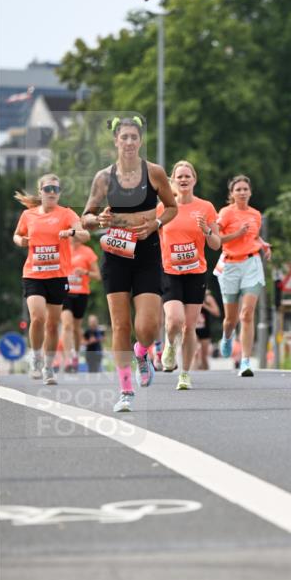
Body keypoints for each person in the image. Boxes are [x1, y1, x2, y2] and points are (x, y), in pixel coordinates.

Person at [80, 115, 177, 413]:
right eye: (125, 137)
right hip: (116, 256)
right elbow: (86, 217)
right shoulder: (104, 178)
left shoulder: (155, 173)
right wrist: (99, 220)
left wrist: (156, 223)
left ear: (141, 141)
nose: (130, 142)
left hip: (147, 253)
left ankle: (142, 351)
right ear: (116, 141)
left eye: (135, 137)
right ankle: (125, 391)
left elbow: (172, 207)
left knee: (147, 326)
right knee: (120, 325)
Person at [13, 174, 89, 385]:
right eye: (48, 189)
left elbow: (85, 235)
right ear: (41, 192)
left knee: (53, 325)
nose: (52, 192)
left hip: (57, 276)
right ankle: (36, 358)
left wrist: (72, 231)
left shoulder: (66, 213)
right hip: (34, 274)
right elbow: (17, 235)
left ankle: (48, 366)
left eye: (56, 189)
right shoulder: (28, 215)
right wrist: (21, 241)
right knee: (37, 317)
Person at [158, 160, 221, 390]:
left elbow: (215, 244)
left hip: (196, 272)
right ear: (173, 180)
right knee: (175, 320)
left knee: (189, 326)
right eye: (179, 176)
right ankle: (169, 346)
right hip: (170, 272)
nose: (184, 180)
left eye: (188, 176)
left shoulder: (206, 208)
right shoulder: (163, 208)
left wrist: (206, 230)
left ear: (194, 180)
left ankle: (184, 373)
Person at [214, 175, 271, 378]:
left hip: (252, 264)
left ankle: (246, 361)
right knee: (230, 319)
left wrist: (263, 244)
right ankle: (227, 335)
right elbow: (217, 239)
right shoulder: (226, 213)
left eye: (245, 189)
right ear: (232, 193)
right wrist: (236, 234)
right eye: (238, 189)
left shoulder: (256, 214)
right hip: (230, 265)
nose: (242, 192)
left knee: (246, 314)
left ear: (250, 192)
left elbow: (254, 235)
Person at [61, 238, 100, 372]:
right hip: (65, 292)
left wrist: (85, 272)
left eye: (77, 235)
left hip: (81, 293)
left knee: (77, 329)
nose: (74, 238)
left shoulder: (87, 252)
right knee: (67, 325)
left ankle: (76, 355)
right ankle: (67, 359)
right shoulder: (62, 248)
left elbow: (98, 276)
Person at [193, 288, 222, 370]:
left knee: (203, 356)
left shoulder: (207, 297)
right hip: (193, 329)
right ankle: (192, 373)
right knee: (195, 353)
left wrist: (204, 305)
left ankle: (205, 374)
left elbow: (217, 312)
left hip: (205, 329)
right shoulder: (189, 295)